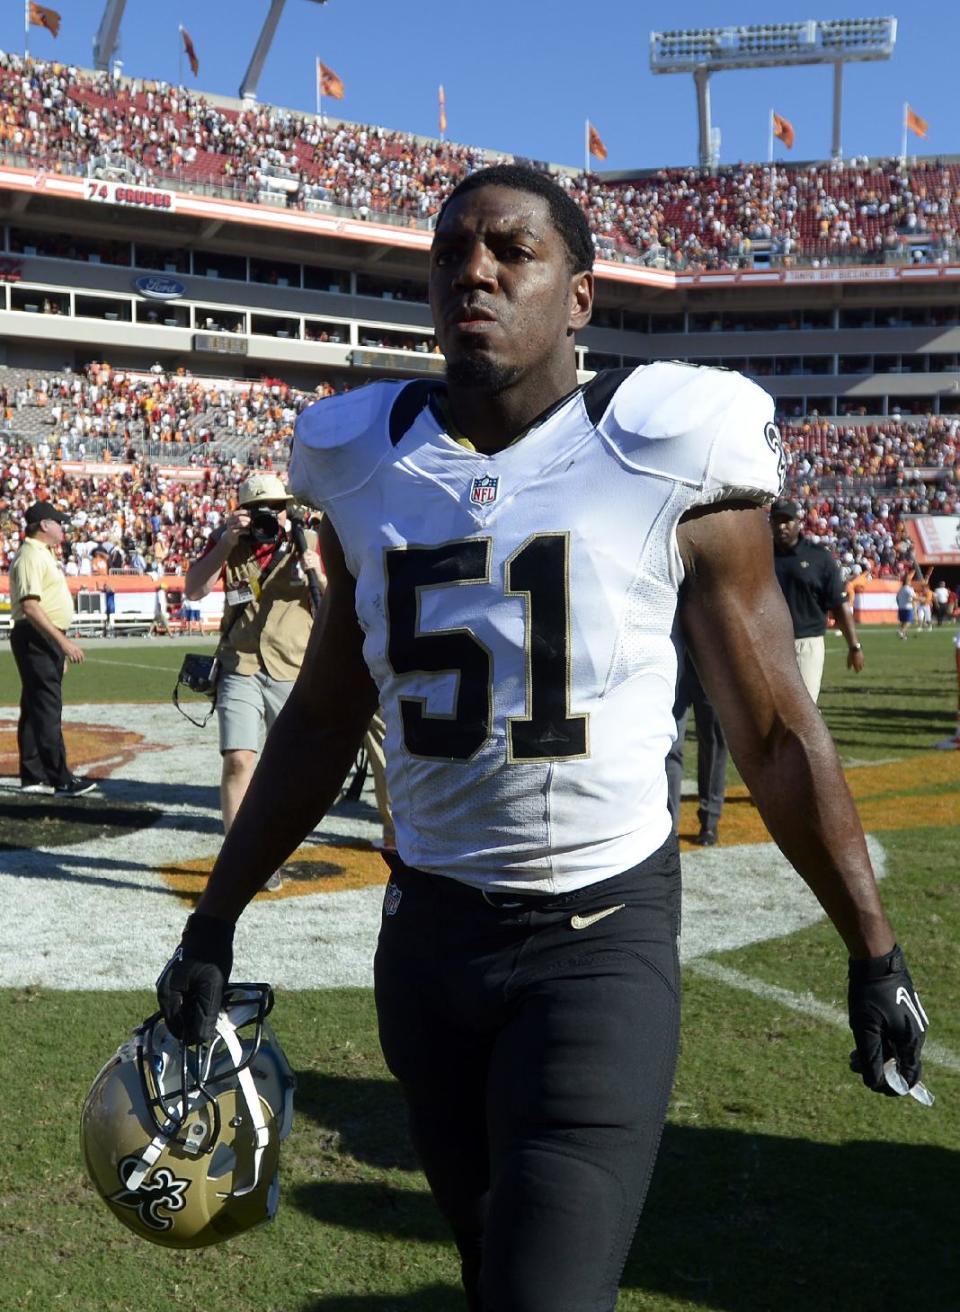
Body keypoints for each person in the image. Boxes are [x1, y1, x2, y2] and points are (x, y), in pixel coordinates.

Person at [157, 166, 928, 1310]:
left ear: (579, 295)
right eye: (452, 252)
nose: (475, 270)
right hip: (425, 939)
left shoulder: (668, 442)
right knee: (489, 1273)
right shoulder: (360, 458)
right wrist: (213, 920)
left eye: (513, 250)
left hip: (596, 942)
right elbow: (326, 711)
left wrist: (873, 949)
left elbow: (770, 727)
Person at [182, 472, 324, 888]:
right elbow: (193, 590)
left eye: (275, 509)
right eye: (257, 510)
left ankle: (273, 846)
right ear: (241, 512)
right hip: (240, 663)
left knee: (293, 767)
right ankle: (240, 855)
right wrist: (225, 542)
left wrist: (315, 570)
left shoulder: (308, 542)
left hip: (290, 664)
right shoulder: (227, 541)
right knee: (239, 758)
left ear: (287, 509)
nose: (267, 518)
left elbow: (332, 604)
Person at [8, 502, 96, 797]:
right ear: (44, 525)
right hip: (37, 636)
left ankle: (33, 774)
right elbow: (30, 605)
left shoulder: (38, 553)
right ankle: (61, 778)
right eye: (59, 522)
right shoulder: (31, 555)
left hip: (40, 638)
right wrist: (62, 643)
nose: (63, 527)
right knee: (47, 707)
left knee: (35, 705)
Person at [770, 497, 865, 701]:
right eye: (776, 520)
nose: (781, 526)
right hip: (769, 644)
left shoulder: (818, 557)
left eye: (787, 520)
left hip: (805, 643)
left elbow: (839, 606)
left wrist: (854, 646)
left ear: (798, 522)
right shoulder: (761, 556)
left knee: (803, 708)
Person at [665, 650, 728, 846]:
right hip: (672, 659)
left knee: (714, 743)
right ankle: (668, 824)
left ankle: (709, 820)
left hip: (712, 662)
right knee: (668, 746)